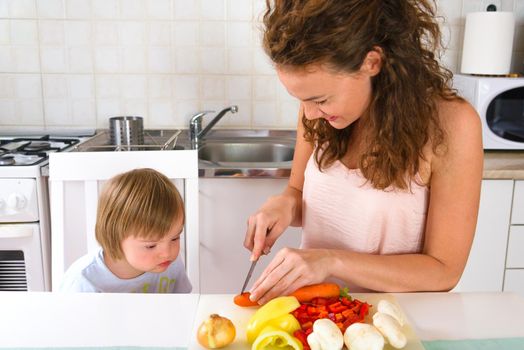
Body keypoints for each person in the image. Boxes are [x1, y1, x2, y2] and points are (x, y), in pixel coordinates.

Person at [244, 0, 483, 304]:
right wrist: (282, 205)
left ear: (372, 62)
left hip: (395, 324)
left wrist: (331, 261)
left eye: (320, 100)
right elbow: (298, 191)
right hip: (317, 319)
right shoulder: (318, 110)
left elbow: (444, 271)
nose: (309, 114)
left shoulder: (451, 124)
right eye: (301, 100)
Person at [60, 168, 192, 293]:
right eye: (151, 245)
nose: (167, 253)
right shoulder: (83, 282)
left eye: (175, 238)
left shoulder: (170, 264)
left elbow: (185, 307)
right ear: (114, 237)